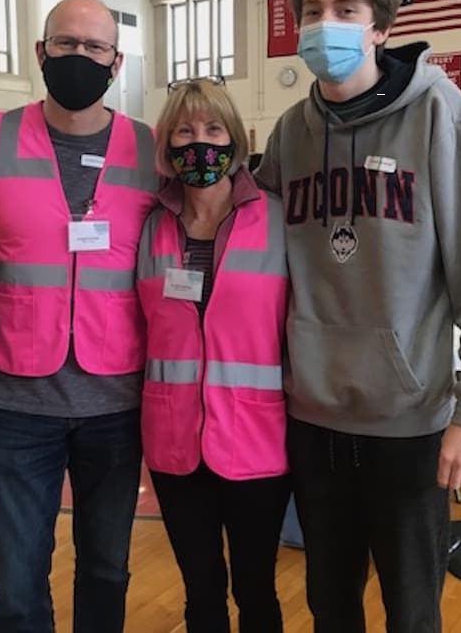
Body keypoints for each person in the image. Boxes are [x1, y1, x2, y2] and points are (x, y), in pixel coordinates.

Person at [255, 0, 461, 632]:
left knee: (411, 610)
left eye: (347, 10)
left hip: (409, 423)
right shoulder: (290, 132)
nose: (326, 25)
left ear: (380, 28)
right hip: (313, 418)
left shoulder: (442, 114)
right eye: (313, 11)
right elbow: (253, 259)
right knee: (330, 606)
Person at [0, 0, 158, 633]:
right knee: (19, 583)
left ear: (116, 61)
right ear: (41, 53)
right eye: (66, 44)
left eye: (94, 47)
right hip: (18, 402)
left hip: (116, 402)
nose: (79, 57)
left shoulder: (149, 150)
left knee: (106, 570)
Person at [136, 78, 291, 633]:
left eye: (212, 128)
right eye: (184, 130)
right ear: (167, 144)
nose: (198, 142)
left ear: (235, 138)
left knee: (256, 589)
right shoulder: (151, 226)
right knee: (201, 591)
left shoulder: (277, 220)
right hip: (175, 443)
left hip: (256, 441)